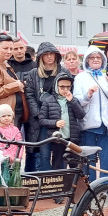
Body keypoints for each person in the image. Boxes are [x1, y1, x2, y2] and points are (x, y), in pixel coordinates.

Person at [74, 45, 108, 180]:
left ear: (103, 59)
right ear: (87, 60)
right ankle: (90, 187)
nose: (95, 60)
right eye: (92, 57)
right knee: (88, 159)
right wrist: (88, 95)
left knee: (107, 158)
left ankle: (107, 186)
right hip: (88, 123)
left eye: (98, 57)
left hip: (106, 123)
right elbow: (76, 101)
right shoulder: (80, 77)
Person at [23, 42, 66, 171]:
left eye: (51, 54)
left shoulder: (63, 71)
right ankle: (46, 184)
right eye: (46, 54)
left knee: (59, 154)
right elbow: (29, 95)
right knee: (44, 154)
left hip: (58, 119)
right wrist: (38, 113)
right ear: (40, 57)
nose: (49, 57)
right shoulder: (33, 73)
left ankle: (59, 183)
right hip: (40, 120)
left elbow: (67, 94)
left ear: (56, 55)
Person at [37, 75, 84, 169]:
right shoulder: (48, 101)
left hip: (72, 139)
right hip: (58, 139)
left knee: (75, 165)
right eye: (62, 87)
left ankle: (75, 183)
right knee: (58, 164)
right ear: (56, 86)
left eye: (68, 87)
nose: (65, 89)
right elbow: (41, 120)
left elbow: (81, 115)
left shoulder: (73, 100)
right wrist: (55, 123)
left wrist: (72, 101)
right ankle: (58, 183)